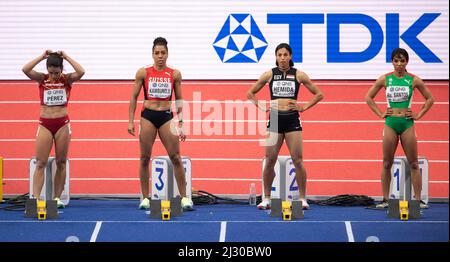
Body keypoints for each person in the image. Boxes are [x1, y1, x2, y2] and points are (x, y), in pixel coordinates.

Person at [247, 43, 324, 210]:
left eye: (285, 55)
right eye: (279, 55)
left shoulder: (299, 75)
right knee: (269, 161)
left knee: (298, 160)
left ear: (290, 56)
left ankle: (303, 198)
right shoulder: (269, 75)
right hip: (274, 118)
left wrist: (304, 107)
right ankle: (266, 198)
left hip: (292, 119)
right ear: (276, 57)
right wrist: (261, 106)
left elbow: (319, 94)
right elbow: (250, 93)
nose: (282, 58)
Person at [128, 37, 193, 210]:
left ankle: (185, 198)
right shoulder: (143, 73)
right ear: (152, 54)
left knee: (176, 157)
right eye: (157, 53)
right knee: (144, 158)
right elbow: (134, 97)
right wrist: (130, 121)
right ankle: (145, 198)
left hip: (166, 116)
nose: (160, 56)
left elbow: (179, 99)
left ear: (167, 54)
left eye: (163, 53)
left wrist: (181, 122)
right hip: (148, 116)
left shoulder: (174, 74)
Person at [365, 48, 434, 209]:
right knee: (386, 163)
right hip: (390, 123)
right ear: (392, 62)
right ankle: (386, 199)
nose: (399, 64)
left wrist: (418, 115)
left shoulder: (413, 80)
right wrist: (380, 113)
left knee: (414, 163)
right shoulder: (385, 79)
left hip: (407, 124)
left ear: (406, 62)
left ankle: (418, 200)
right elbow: (368, 97)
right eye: (396, 61)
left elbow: (430, 99)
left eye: (402, 61)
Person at [22, 50, 85, 208]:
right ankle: (36, 199)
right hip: (45, 124)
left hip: (62, 124)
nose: (54, 76)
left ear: (61, 70)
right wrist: (42, 57)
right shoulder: (42, 79)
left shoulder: (66, 80)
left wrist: (67, 57)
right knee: (41, 163)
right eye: (51, 72)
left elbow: (81, 71)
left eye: (56, 73)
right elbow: (25, 69)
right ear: (47, 69)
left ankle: (57, 198)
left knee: (61, 162)